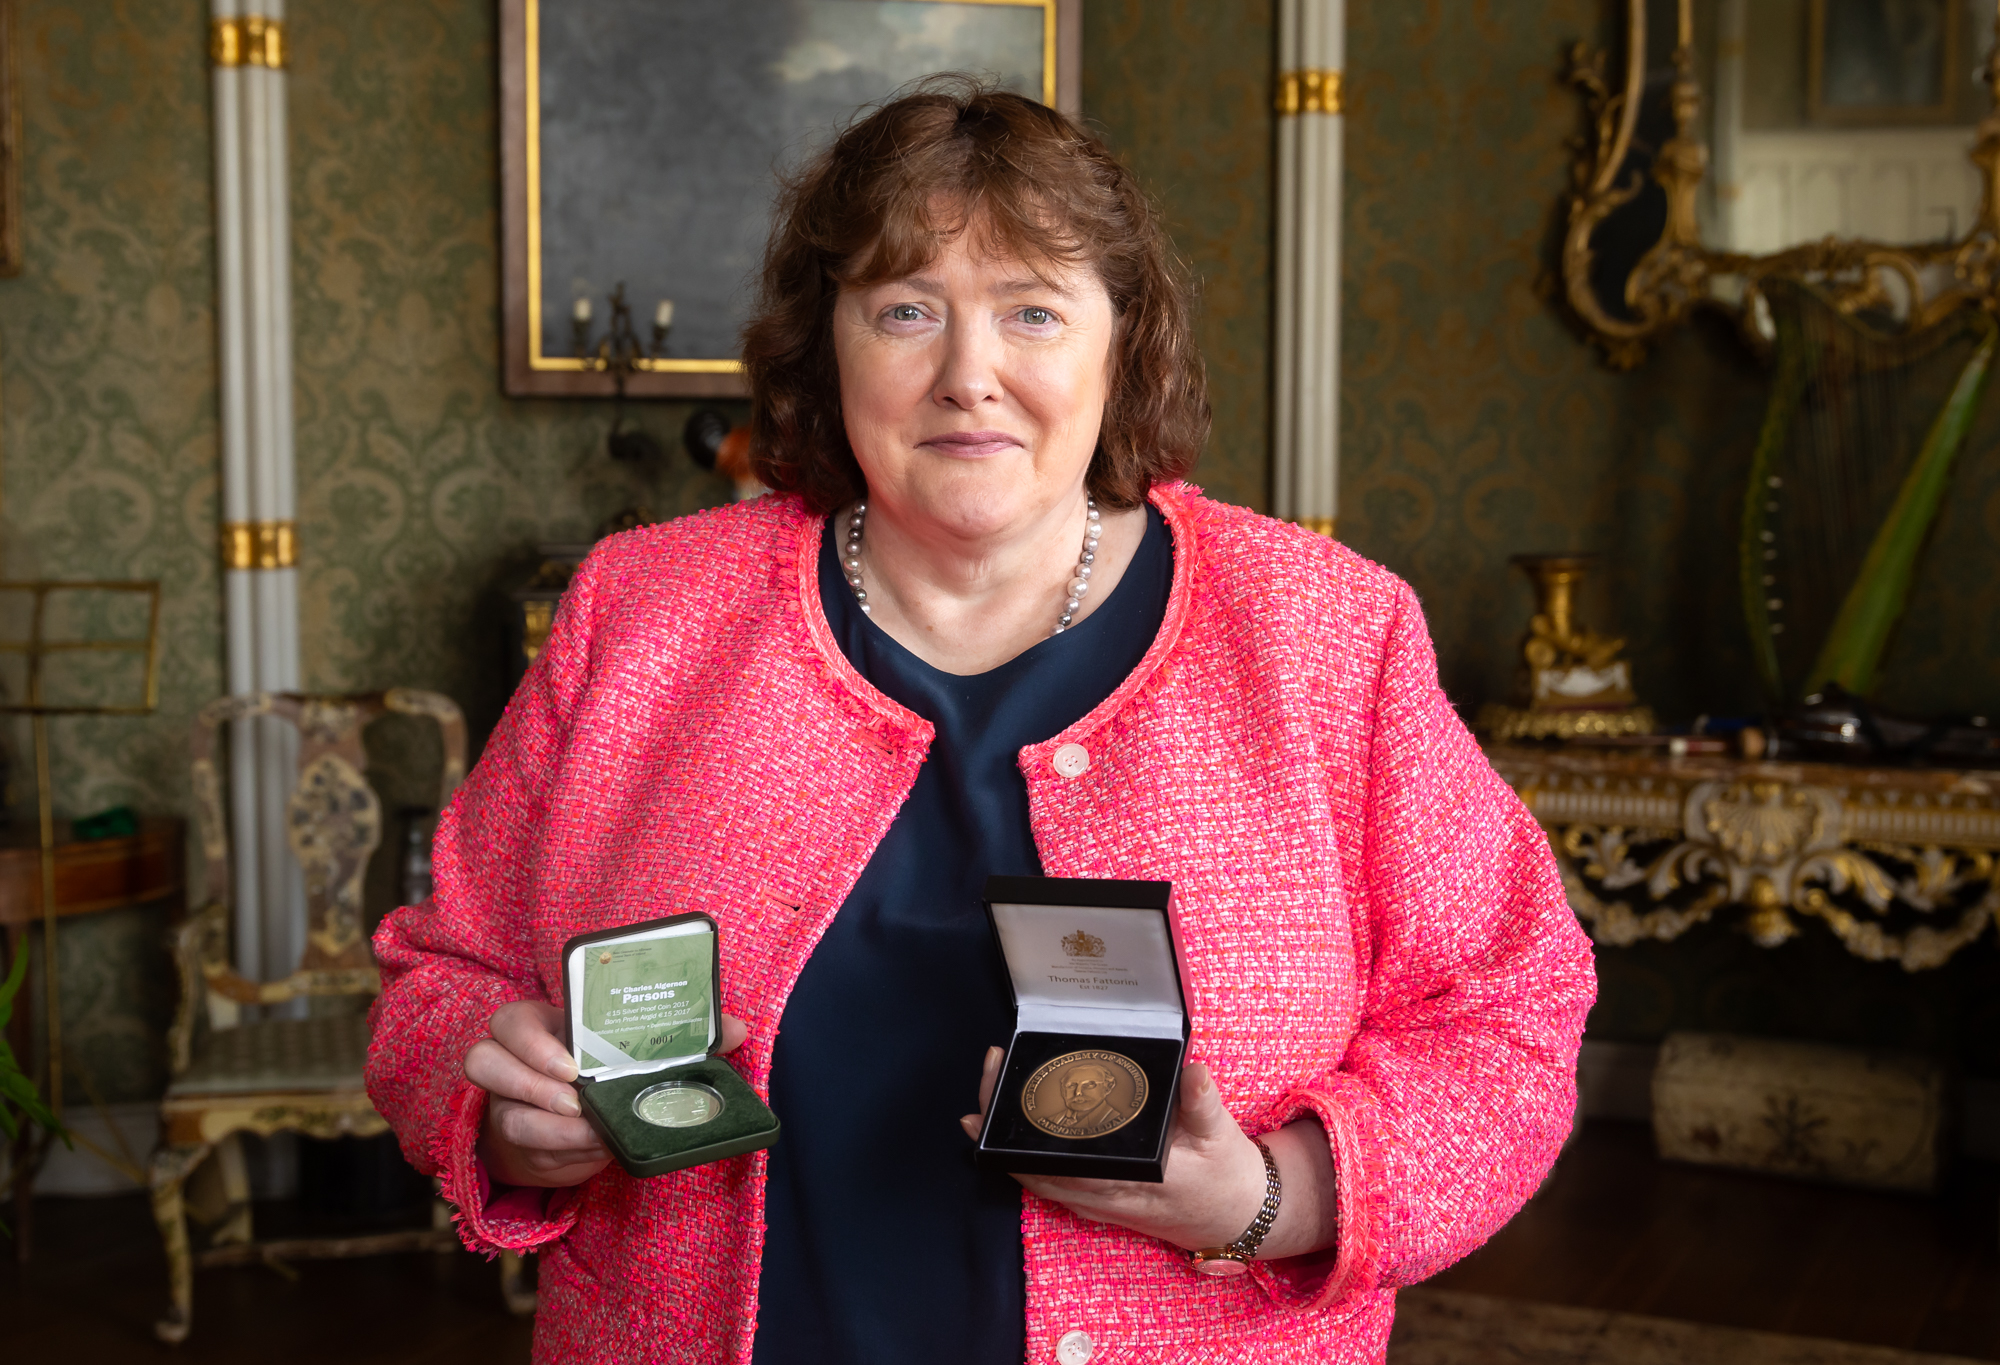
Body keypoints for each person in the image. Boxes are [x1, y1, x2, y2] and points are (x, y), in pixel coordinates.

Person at [367, 80, 1595, 1365]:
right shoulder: (638, 610)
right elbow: (444, 976)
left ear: (1121, 344)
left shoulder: (1326, 637)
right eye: (905, 311)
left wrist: (1273, 1198)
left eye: (1032, 312)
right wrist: (507, 1119)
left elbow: (1509, 1011)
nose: (968, 376)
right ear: (823, 341)